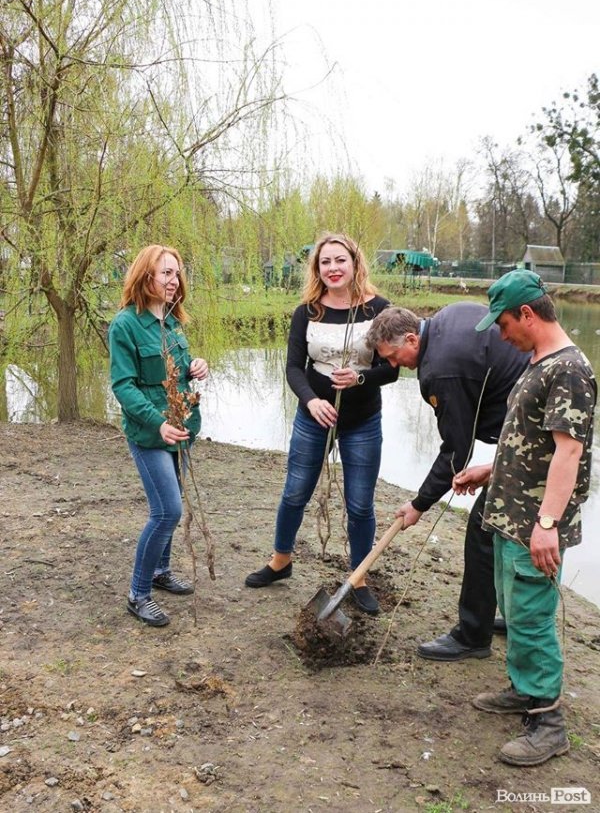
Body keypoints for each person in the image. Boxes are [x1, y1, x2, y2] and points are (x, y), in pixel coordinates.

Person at [453, 269, 596, 766]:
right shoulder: (538, 362)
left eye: (504, 322)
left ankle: (549, 720)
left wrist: (548, 524)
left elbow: (569, 452)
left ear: (528, 315)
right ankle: (523, 689)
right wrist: (490, 470)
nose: (500, 333)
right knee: (514, 613)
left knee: (533, 620)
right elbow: (532, 442)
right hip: (508, 516)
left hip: (535, 522)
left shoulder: (570, 370)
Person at [365, 302, 530, 659]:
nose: (394, 365)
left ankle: (473, 636)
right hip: (527, 424)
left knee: (484, 531)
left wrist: (419, 504)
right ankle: (510, 615)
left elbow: (456, 450)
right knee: (506, 531)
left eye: (393, 356)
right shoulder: (446, 318)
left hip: (530, 431)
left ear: (411, 337)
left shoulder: (440, 370)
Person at [245, 233, 398, 614]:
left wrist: (360, 378)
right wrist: (311, 401)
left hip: (362, 421)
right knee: (295, 491)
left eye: (339, 260)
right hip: (313, 418)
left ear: (355, 263)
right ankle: (281, 561)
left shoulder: (378, 310)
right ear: (317, 269)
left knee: (360, 503)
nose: (332, 268)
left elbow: (392, 368)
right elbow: (294, 368)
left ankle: (358, 576)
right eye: (325, 262)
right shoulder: (307, 312)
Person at [109, 245, 209, 627]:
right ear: (145, 275)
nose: (173, 281)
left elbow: (176, 373)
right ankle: (138, 593)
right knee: (167, 510)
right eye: (165, 273)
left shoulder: (171, 321)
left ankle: (160, 571)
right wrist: (157, 422)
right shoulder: (125, 325)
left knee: (173, 502)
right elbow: (124, 386)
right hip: (151, 435)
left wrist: (196, 366)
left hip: (180, 430)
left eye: (176, 273)